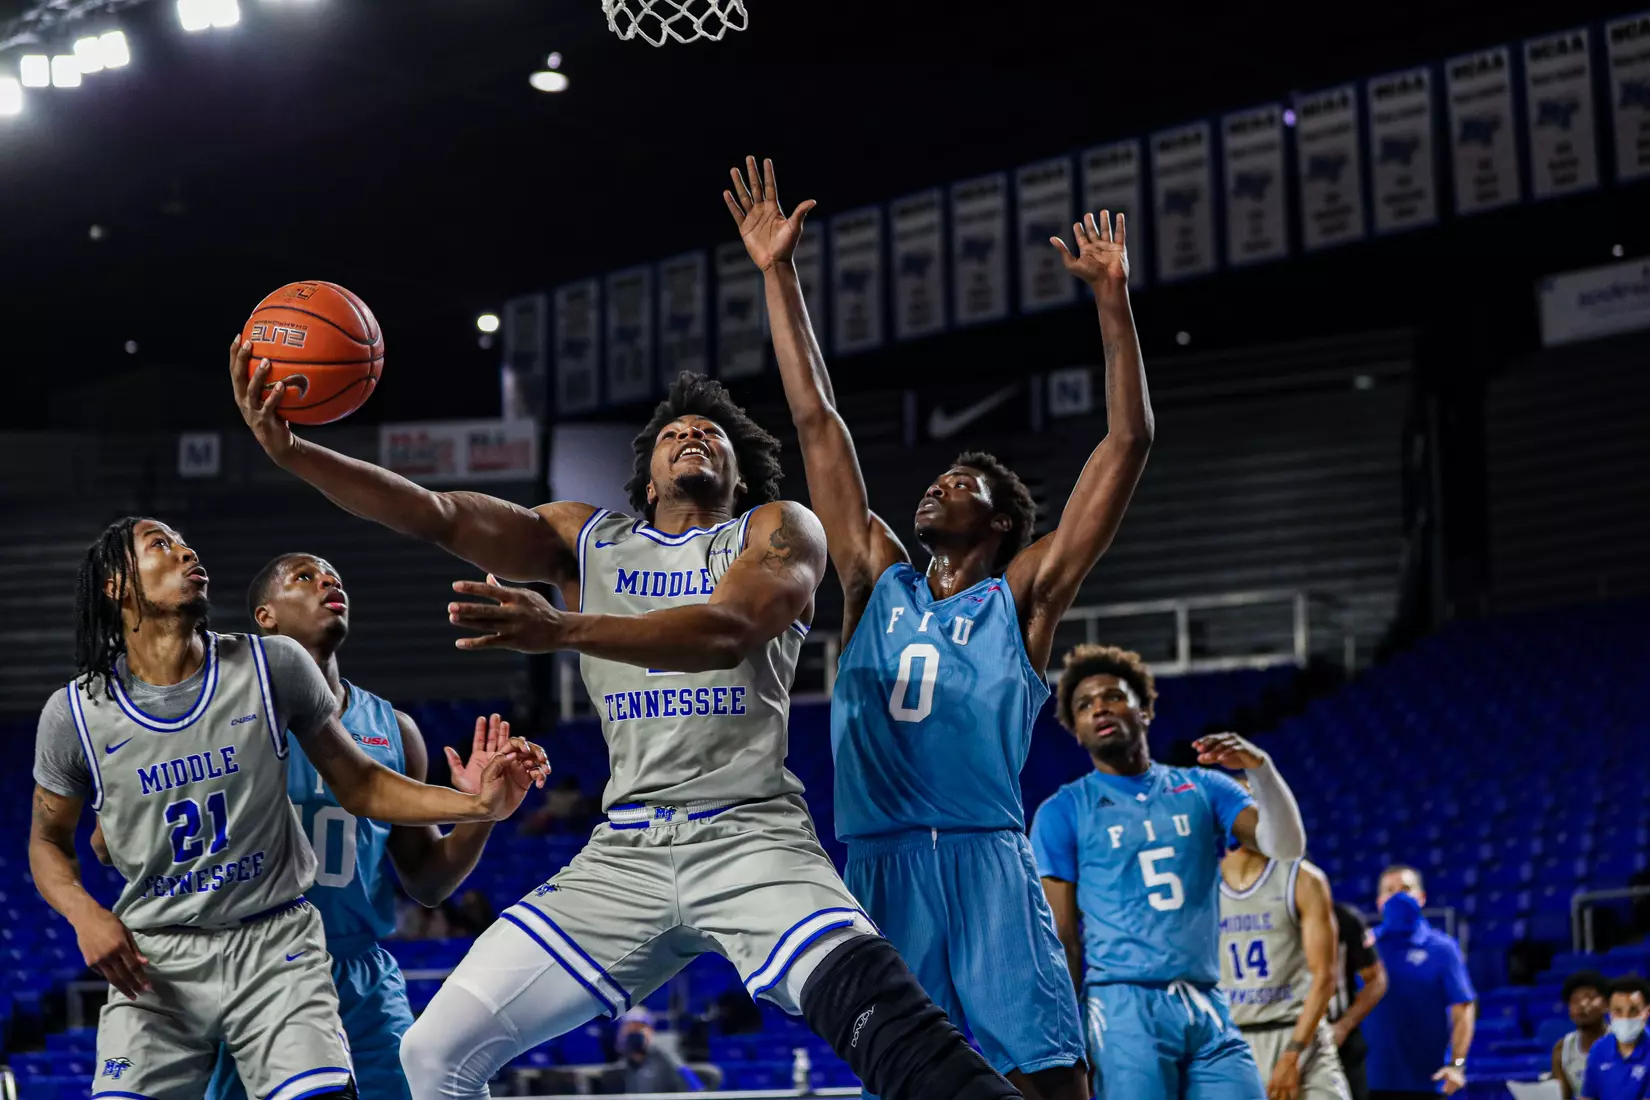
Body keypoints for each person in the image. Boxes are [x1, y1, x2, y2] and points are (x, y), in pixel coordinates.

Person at [230, 337, 1027, 1100]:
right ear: (647, 477)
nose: (690, 435)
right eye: (674, 431)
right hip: (628, 854)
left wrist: (563, 628)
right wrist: (296, 454)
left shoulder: (777, 528)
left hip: (750, 836)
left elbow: (727, 633)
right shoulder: (584, 539)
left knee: (895, 1028)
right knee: (431, 1054)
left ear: (738, 473)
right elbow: (436, 513)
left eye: (710, 433)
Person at [725, 155, 1154, 1100]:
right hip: (879, 863)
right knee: (905, 1084)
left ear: (1004, 524)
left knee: (1050, 1081)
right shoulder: (874, 575)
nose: (938, 484)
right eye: (937, 478)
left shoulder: (1024, 599)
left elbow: (1126, 445)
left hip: (987, 858)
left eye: (966, 484)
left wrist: (1113, 303)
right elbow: (816, 420)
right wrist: (778, 275)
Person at [28, 518, 547, 1100]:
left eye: (184, 541)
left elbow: (371, 796)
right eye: (161, 546)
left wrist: (477, 805)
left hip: (291, 946)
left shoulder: (284, 678)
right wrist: (86, 911)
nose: (187, 550)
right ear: (115, 586)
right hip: (166, 950)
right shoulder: (78, 713)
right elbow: (71, 840)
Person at [1031, 644, 1309, 1100]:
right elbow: (1062, 937)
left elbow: (1287, 845)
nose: (1099, 706)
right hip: (1122, 1005)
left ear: (1144, 711)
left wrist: (1262, 769)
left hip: (1207, 998)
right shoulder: (1063, 811)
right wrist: (1070, 1036)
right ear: (1076, 733)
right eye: (1084, 704)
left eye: (1114, 696)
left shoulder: (1204, 786)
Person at [1219, 824, 1351, 1100]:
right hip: (1232, 1038)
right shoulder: (1199, 883)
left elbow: (1325, 978)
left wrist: (1292, 1054)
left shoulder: (1302, 879)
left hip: (1297, 1032)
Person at [1361, 866, 1475, 1100]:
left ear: (1421, 898)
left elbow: (1463, 1009)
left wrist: (1457, 1065)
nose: (1398, 896)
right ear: (1379, 902)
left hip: (1427, 1084)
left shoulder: (1442, 949)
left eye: (1405, 889)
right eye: (1390, 891)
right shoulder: (1364, 947)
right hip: (1368, 1083)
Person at [1326, 901, 1388, 1100]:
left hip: (1340, 1040)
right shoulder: (1270, 916)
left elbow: (1377, 979)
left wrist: (1344, 1025)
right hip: (1284, 1035)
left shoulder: (1344, 918)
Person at [601, 1007, 705, 1094]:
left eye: (639, 1027)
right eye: (630, 1028)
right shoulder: (623, 1059)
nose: (635, 1033)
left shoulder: (664, 1045)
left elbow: (691, 1081)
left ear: (650, 1029)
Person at [1579, 976, 1650, 1100]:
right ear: (1609, 1012)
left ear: (1646, 1012)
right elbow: (1587, 1096)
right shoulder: (1599, 1049)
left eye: (1633, 1010)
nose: (1625, 1017)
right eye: (1618, 1011)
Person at [1554, 971, 1609, 1100]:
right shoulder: (1562, 1049)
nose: (1582, 1005)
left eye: (1590, 998)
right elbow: (1561, 1096)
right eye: (1575, 1001)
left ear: (1606, 1004)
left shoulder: (1622, 1041)